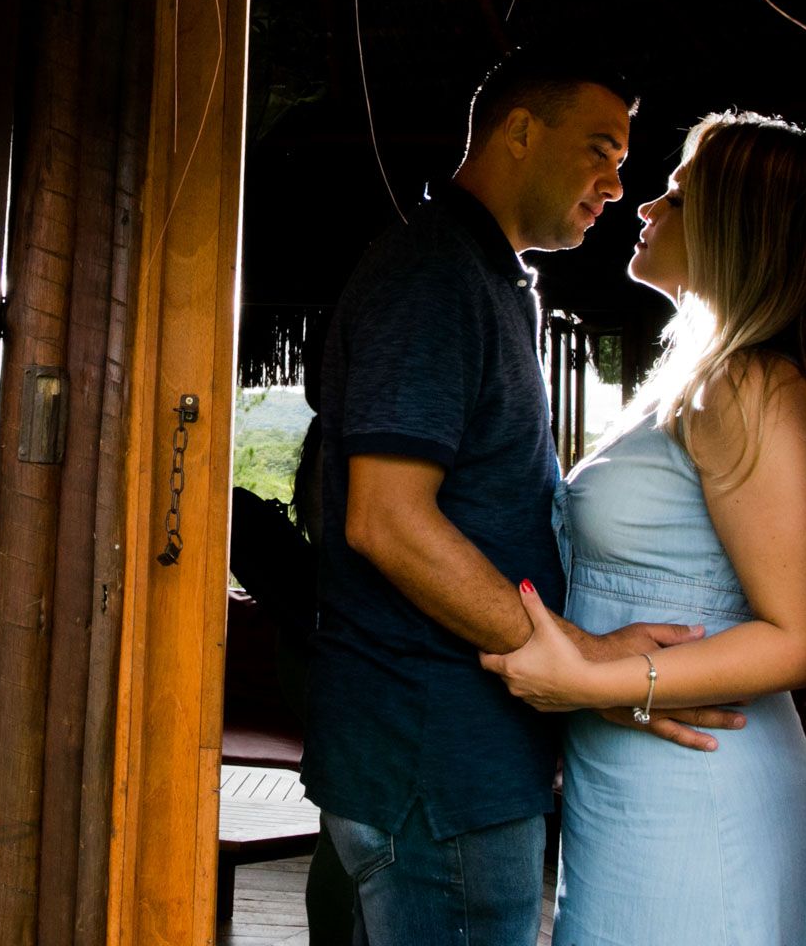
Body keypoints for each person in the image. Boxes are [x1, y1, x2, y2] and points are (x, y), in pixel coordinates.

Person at [302, 54, 743, 943]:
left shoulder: (487, 278)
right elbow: (386, 520)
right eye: (600, 150)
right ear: (518, 132)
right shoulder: (433, 276)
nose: (618, 185)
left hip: (446, 756)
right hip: (436, 764)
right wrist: (581, 663)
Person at [480, 111, 806, 944]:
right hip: (637, 788)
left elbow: (800, 637)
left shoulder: (747, 388)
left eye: (673, 194)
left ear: (729, 226)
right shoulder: (695, 379)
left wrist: (589, 684)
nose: (644, 208)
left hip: (702, 798)